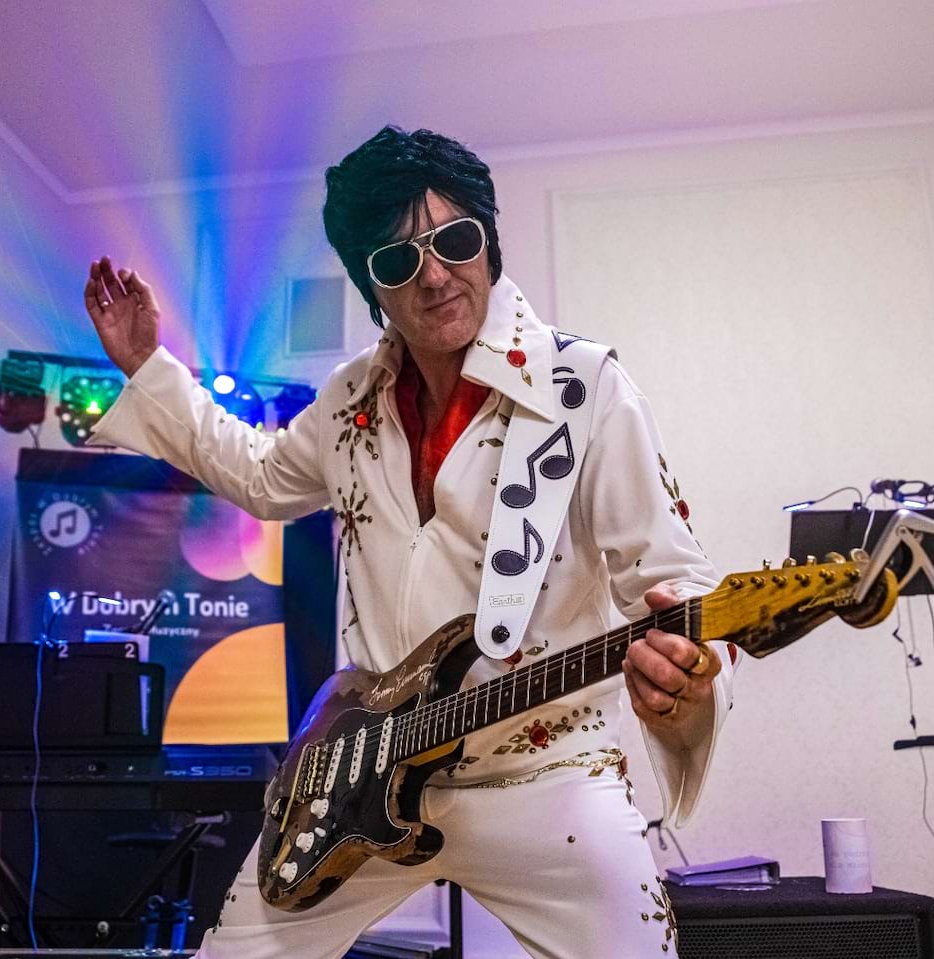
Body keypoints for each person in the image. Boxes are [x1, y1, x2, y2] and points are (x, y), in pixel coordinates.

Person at [84, 126, 735, 959]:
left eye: (454, 241)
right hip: (361, 775)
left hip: (547, 775)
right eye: (396, 261)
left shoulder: (585, 388)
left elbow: (674, 578)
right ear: (371, 287)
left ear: (488, 243)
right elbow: (260, 475)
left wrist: (685, 676)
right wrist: (149, 366)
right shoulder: (348, 396)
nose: (433, 275)